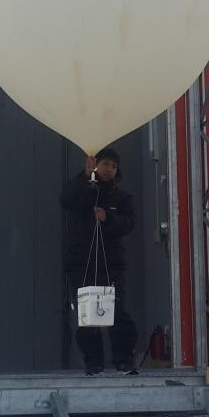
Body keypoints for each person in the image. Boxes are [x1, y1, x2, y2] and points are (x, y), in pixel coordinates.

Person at [58, 148, 139, 375]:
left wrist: (109, 218)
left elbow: (128, 223)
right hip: (83, 262)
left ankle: (124, 360)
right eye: (105, 164)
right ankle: (93, 363)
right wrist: (84, 177)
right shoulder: (81, 190)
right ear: (95, 165)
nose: (109, 170)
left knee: (117, 311)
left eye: (114, 166)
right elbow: (66, 199)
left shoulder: (122, 197)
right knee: (87, 313)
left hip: (111, 263)